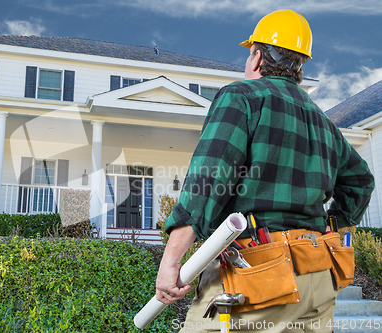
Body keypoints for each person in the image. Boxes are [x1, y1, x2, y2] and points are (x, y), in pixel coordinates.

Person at [156, 8, 375, 333]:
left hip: (254, 274)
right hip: (316, 274)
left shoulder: (241, 98)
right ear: (300, 66)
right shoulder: (323, 122)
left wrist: (172, 259)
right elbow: (361, 182)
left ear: (257, 57)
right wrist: (329, 224)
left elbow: (208, 181)